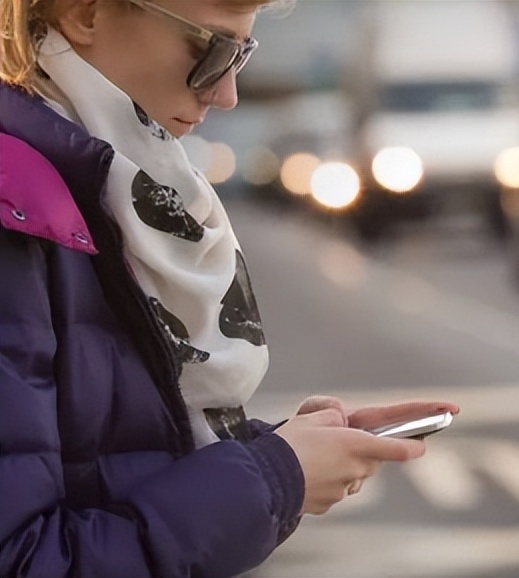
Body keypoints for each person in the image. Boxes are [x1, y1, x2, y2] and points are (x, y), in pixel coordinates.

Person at [0, 0, 459, 576]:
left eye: (243, 53)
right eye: (213, 49)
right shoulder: (17, 205)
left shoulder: (103, 189)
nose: (227, 94)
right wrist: (274, 479)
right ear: (85, 13)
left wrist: (284, 450)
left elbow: (108, 458)